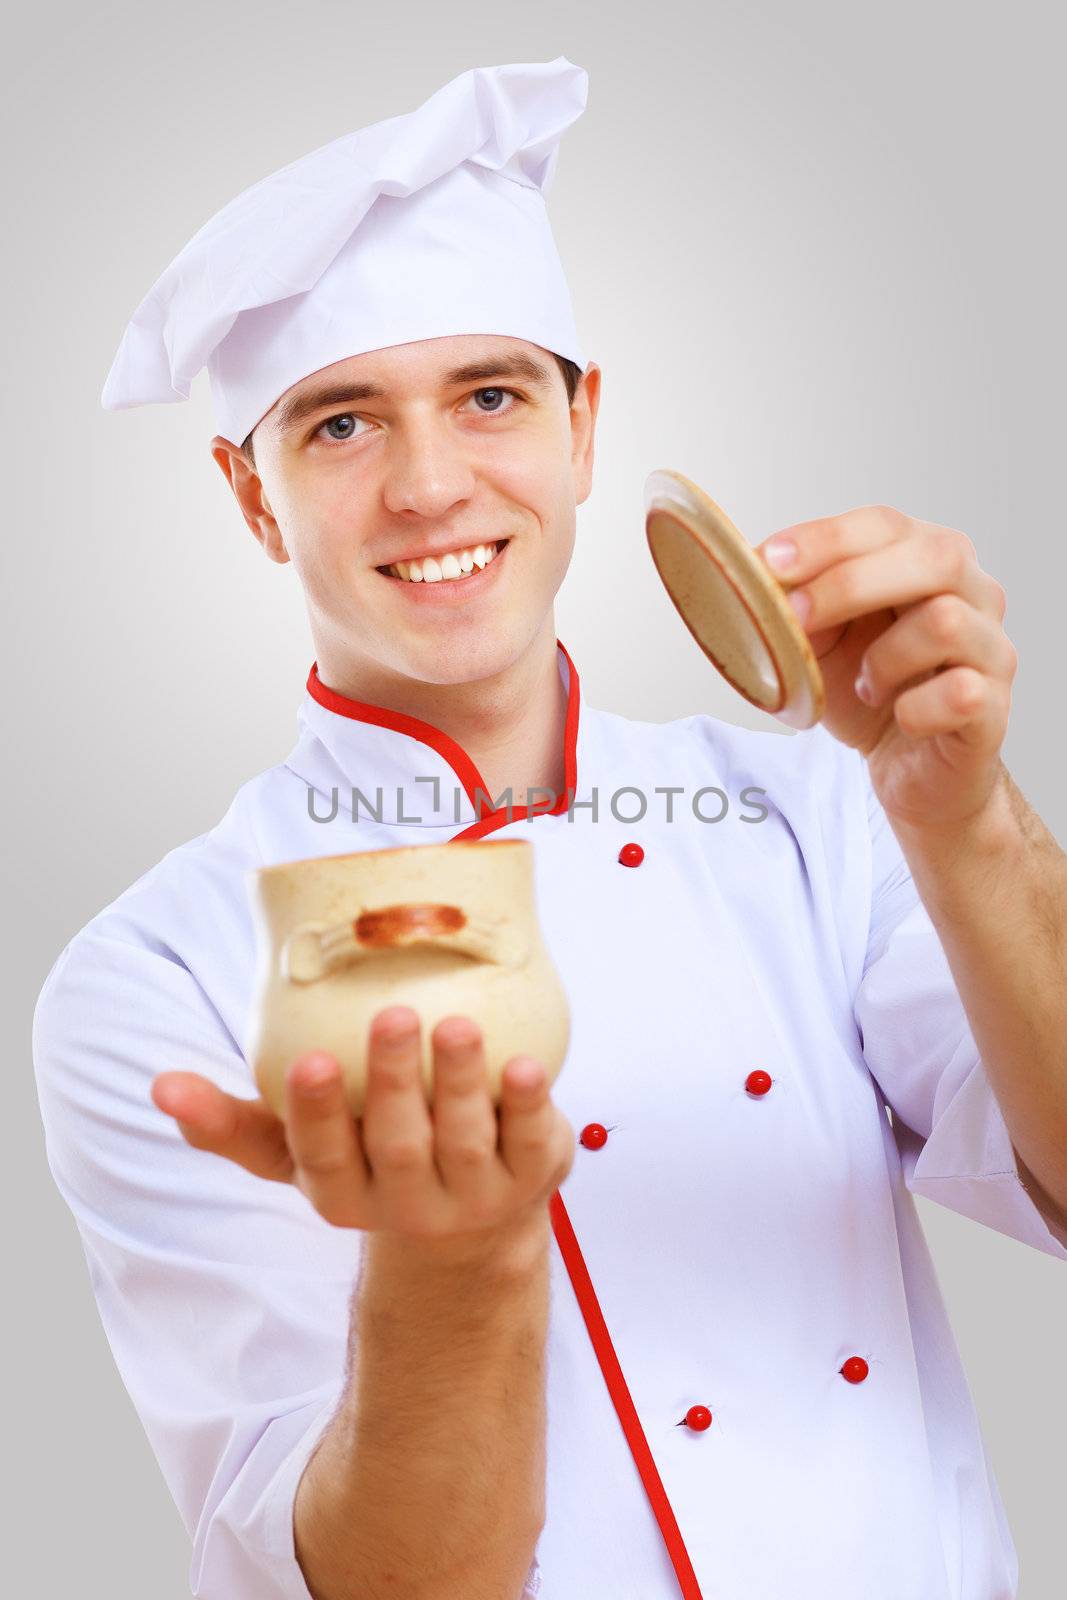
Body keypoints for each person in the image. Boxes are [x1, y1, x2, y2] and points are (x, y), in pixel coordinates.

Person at [32, 54, 1067, 1600]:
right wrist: (454, 1259)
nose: (432, 485)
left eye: (492, 395)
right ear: (253, 502)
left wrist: (970, 820)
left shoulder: (810, 814)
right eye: (338, 426)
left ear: (586, 430)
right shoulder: (151, 985)